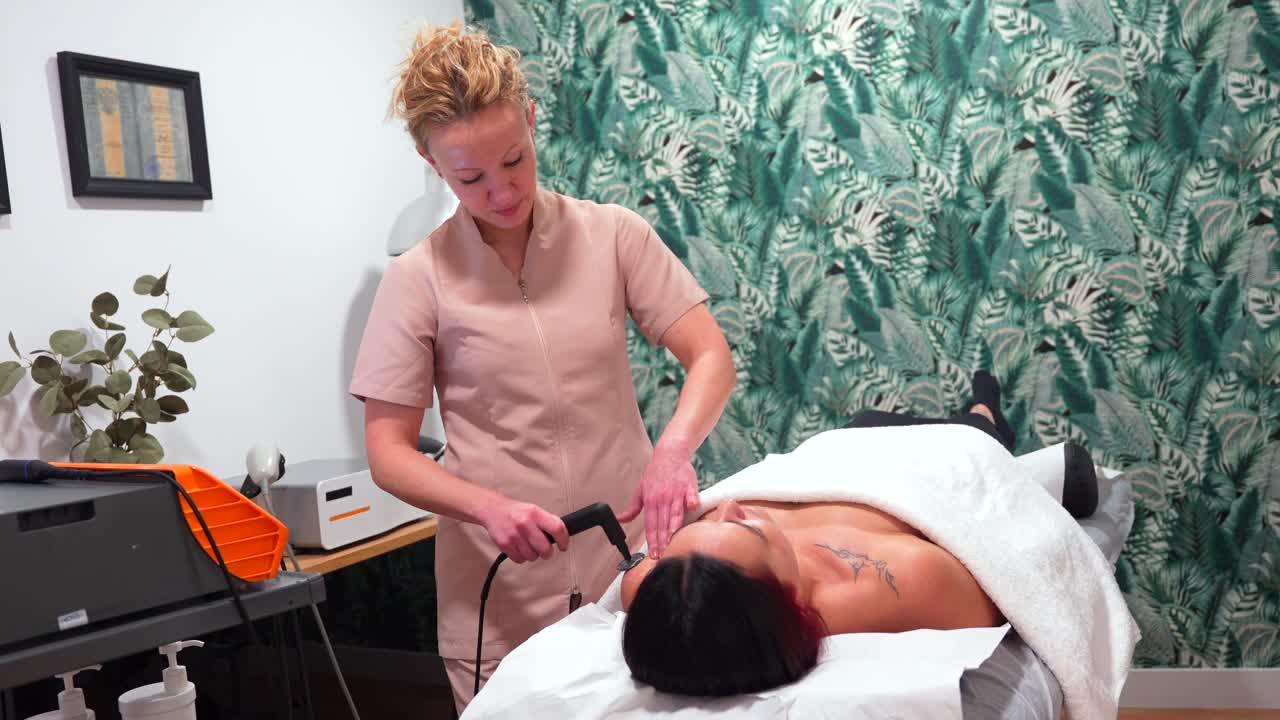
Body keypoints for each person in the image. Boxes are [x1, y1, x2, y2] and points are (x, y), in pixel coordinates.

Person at [348, 22, 736, 712]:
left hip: (630, 574)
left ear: (530, 120)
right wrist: (486, 507)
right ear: (430, 161)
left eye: (514, 161)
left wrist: (674, 451)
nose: (501, 192)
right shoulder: (418, 279)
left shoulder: (613, 235)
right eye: (471, 178)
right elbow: (389, 454)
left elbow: (710, 354)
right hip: (500, 595)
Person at [619, 372, 1098, 697]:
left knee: (867, 420)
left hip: (844, 452)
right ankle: (985, 415)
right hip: (935, 463)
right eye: (748, 529)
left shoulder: (671, 595)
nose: (727, 505)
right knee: (977, 435)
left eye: (706, 525)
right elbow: (993, 561)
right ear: (787, 604)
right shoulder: (894, 581)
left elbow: (640, 578)